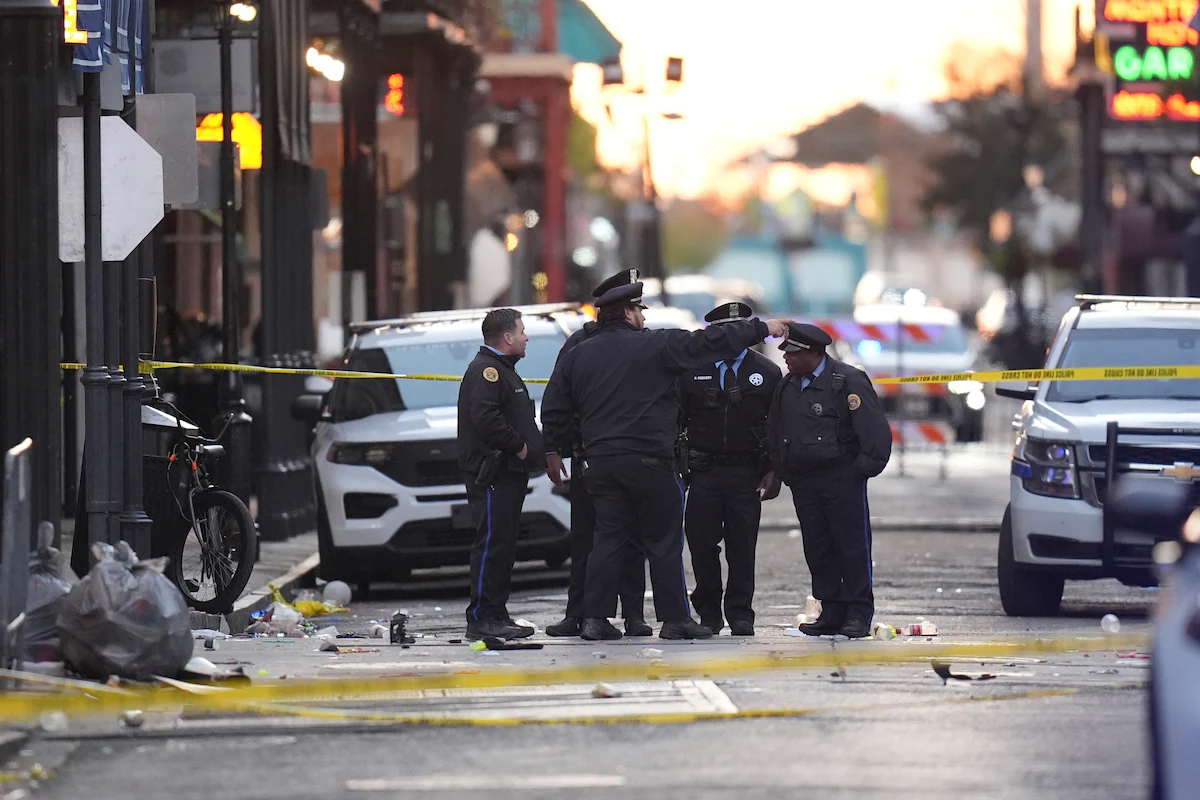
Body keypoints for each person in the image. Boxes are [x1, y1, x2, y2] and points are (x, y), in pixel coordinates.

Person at [542, 282, 790, 641]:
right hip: (650, 463)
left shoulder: (579, 354)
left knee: (608, 538)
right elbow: (709, 343)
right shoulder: (657, 345)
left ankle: (594, 618)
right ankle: (675, 619)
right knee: (662, 541)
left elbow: (555, 404)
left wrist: (553, 449)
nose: (644, 316)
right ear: (628, 312)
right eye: (640, 310)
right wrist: (763, 327)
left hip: (601, 464)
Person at [765, 323, 892, 639]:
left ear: (814, 353)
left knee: (850, 546)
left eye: (793, 353)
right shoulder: (788, 386)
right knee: (818, 548)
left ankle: (858, 612)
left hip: (841, 479)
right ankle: (832, 610)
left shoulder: (846, 381)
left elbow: (874, 431)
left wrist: (859, 471)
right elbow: (777, 430)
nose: (787, 359)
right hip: (805, 482)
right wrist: (783, 471)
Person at [542, 269, 650, 638]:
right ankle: (580, 613)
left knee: (632, 538)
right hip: (587, 453)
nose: (641, 315)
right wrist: (554, 449)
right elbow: (557, 402)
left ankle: (633, 615)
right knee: (586, 538)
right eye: (635, 307)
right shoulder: (579, 344)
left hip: (622, 454)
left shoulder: (642, 342)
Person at [678, 302, 783, 636]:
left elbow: (776, 427)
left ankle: (740, 613)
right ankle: (708, 612)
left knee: (742, 547)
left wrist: (774, 470)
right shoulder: (692, 369)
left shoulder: (766, 372)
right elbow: (675, 419)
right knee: (701, 544)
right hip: (704, 472)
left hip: (745, 472)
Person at [457, 308, 545, 640]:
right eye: (522, 331)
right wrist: (518, 446)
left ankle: (497, 613)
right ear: (507, 337)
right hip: (494, 472)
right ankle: (481, 617)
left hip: (508, 473)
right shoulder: (488, 371)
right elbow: (486, 418)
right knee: (493, 542)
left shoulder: (502, 370)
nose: (526, 337)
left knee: (504, 545)